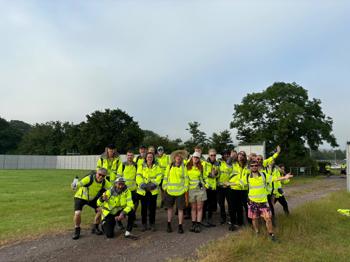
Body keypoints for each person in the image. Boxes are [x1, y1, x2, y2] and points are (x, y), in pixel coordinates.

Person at [244, 160, 293, 241]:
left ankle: (271, 235)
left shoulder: (263, 175)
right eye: (252, 166)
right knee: (254, 219)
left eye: (256, 165)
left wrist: (285, 177)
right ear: (250, 167)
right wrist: (228, 183)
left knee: (268, 218)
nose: (254, 167)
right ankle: (257, 232)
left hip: (263, 202)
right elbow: (238, 182)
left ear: (258, 167)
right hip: (252, 203)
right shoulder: (247, 176)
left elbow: (274, 179)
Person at [71, 168, 111, 240]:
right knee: (77, 213)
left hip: (92, 199)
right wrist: (74, 186)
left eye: (103, 176)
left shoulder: (105, 182)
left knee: (100, 210)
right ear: (96, 173)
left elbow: (112, 189)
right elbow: (79, 184)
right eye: (99, 174)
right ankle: (77, 229)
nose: (101, 177)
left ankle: (95, 227)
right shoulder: (89, 178)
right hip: (80, 197)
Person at [163, 150, 189, 233]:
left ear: (181, 159)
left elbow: (186, 178)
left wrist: (185, 188)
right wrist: (165, 186)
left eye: (180, 158)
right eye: (177, 158)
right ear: (174, 158)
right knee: (169, 209)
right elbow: (165, 177)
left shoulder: (183, 167)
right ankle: (168, 224)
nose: (178, 159)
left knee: (180, 209)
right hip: (169, 191)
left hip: (180, 192)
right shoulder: (169, 166)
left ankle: (180, 226)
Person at [136, 152, 163, 231]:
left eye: (151, 157)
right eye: (148, 157)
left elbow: (159, 176)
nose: (149, 158)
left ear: (153, 158)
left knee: (152, 208)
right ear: (146, 158)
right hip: (143, 190)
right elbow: (138, 176)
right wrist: (142, 184)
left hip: (153, 190)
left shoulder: (157, 167)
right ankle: (144, 224)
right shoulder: (141, 166)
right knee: (143, 209)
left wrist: (153, 184)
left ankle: (152, 224)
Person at [187, 151, 207, 233]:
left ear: (199, 159)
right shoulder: (187, 167)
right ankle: (193, 223)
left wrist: (205, 184)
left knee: (199, 208)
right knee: (193, 208)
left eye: (197, 158)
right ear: (192, 158)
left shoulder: (201, 167)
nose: (196, 159)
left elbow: (205, 177)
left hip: (200, 190)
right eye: (195, 157)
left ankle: (198, 224)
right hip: (191, 190)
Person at [229, 151, 249, 229]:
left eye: (243, 155)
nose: (241, 156)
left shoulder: (247, 166)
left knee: (241, 207)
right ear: (237, 156)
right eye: (239, 154)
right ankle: (233, 223)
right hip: (234, 189)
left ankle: (240, 222)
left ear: (244, 157)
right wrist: (231, 157)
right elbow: (227, 165)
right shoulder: (233, 164)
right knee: (233, 207)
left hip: (244, 190)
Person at [117, 150, 139, 215]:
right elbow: (119, 175)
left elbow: (138, 176)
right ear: (126, 156)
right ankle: (123, 215)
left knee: (135, 203)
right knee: (124, 203)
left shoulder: (136, 165)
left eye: (131, 155)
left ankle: (132, 215)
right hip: (124, 189)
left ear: (133, 156)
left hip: (133, 189)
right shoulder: (123, 165)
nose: (130, 157)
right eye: (128, 155)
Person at [203, 148, 220, 227]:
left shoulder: (217, 163)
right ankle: (202, 220)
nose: (213, 156)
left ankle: (209, 220)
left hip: (214, 187)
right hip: (207, 187)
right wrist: (211, 174)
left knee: (211, 205)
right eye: (211, 155)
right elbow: (203, 174)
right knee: (205, 204)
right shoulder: (205, 163)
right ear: (208, 155)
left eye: (214, 155)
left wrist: (216, 174)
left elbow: (219, 174)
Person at [217, 149, 232, 225]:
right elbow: (215, 172)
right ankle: (223, 217)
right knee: (221, 204)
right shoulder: (219, 162)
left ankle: (230, 217)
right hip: (220, 187)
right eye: (224, 154)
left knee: (230, 203)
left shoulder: (231, 163)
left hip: (229, 187)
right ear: (222, 155)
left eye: (227, 154)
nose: (226, 155)